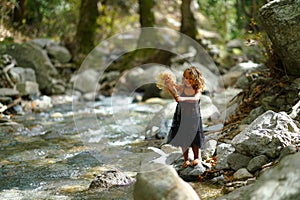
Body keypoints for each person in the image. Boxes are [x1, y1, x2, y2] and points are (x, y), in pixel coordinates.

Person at [164, 66, 205, 168]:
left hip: (193, 117)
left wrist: (182, 99)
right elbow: (174, 90)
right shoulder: (182, 87)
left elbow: (195, 99)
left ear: (196, 80)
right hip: (181, 116)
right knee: (183, 137)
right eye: (185, 77)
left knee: (195, 136)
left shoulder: (197, 89)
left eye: (190, 78)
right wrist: (169, 85)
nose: (187, 80)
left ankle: (197, 157)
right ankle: (186, 159)